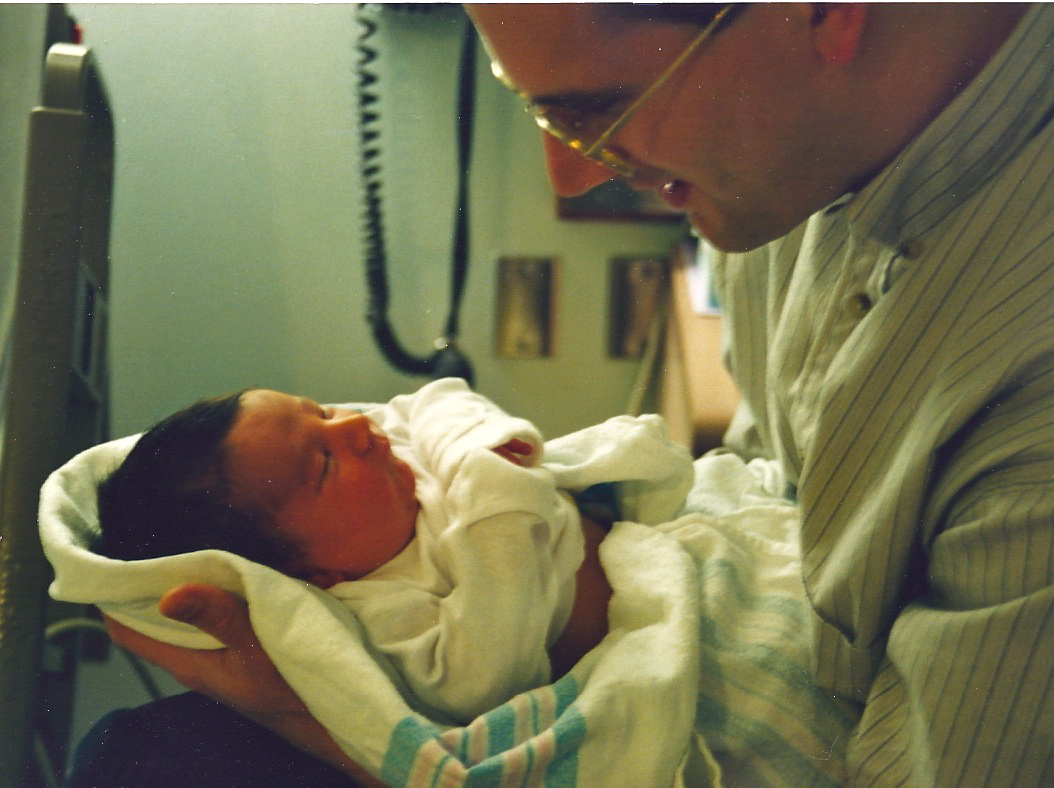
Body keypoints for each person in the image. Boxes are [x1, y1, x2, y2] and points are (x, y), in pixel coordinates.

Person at [86, 3, 1054, 787]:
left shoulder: (1025, 401)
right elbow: (772, 476)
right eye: (544, 114)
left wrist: (311, 719)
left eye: (600, 108)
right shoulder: (794, 173)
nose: (574, 172)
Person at [88, 377, 689, 722]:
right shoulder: (382, 608)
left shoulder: (395, 450)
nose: (353, 426)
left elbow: (437, 398)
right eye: (324, 464)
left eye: (320, 412)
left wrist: (472, 448)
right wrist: (495, 508)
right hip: (635, 620)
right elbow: (476, 682)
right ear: (312, 571)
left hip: (636, 531)